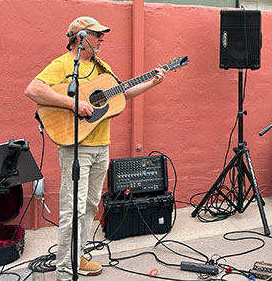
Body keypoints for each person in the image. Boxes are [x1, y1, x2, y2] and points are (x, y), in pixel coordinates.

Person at [24, 16, 166, 281]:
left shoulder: (103, 67)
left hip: (101, 146)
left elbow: (121, 92)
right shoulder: (63, 65)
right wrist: (73, 104)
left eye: (103, 34)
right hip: (75, 147)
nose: (103, 38)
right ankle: (64, 272)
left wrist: (152, 83)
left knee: (89, 206)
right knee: (72, 209)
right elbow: (33, 90)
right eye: (97, 34)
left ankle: (77, 257)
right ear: (81, 37)